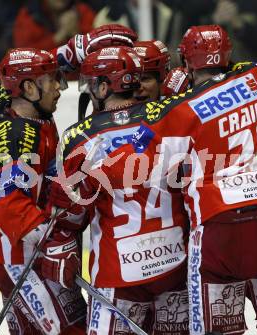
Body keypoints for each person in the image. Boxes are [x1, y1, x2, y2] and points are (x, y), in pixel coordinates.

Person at [97, 24, 257, 334]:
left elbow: (136, 156)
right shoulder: (256, 78)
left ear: (187, 65)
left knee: (242, 325)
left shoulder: (179, 110)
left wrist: (88, 163)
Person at [51, 45, 190, 334]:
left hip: (119, 271)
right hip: (175, 264)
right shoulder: (171, 116)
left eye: (91, 85)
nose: (89, 92)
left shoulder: (79, 138)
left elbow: (71, 213)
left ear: (104, 87)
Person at [0, 47, 88, 334]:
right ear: (29, 87)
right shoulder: (16, 138)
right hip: (17, 256)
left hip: (16, 248)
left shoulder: (12, 99)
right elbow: (11, 205)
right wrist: (52, 245)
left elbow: (18, 66)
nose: (60, 87)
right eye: (52, 80)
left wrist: (74, 49)